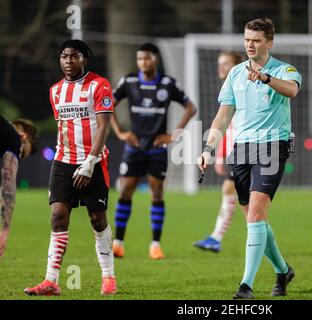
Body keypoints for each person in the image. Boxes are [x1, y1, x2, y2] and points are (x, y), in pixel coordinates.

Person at [197, 18, 301, 299]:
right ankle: (283, 270)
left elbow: (292, 90)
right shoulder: (235, 73)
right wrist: (208, 149)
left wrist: (266, 78)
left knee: (256, 214)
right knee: (255, 221)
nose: (250, 45)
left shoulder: (284, 69)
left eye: (256, 40)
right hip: (241, 149)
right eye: (246, 40)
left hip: (272, 146)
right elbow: (223, 115)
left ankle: (246, 286)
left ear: (269, 42)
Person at [25, 40, 117, 296]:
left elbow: (104, 127)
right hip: (63, 161)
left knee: (97, 219)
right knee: (57, 216)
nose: (68, 60)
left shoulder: (100, 85)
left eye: (74, 56)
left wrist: (90, 162)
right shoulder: (55, 91)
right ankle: (51, 280)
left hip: (94, 162)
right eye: (64, 56)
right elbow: (65, 127)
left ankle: (108, 277)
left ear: (84, 59)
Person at [111, 43, 196, 260]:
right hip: (134, 147)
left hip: (157, 148)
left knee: (157, 193)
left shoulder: (167, 84)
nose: (143, 62)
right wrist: (120, 132)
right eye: (139, 59)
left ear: (155, 59)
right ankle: (118, 243)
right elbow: (106, 105)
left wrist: (174, 135)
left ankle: (155, 245)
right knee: (125, 191)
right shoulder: (129, 81)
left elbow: (190, 108)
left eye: (146, 58)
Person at [194, 51, 243, 253]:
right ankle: (216, 237)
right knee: (239, 196)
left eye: (226, 64)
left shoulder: (241, 86)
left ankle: (217, 237)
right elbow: (226, 125)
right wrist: (221, 153)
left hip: (248, 149)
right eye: (219, 63)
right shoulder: (230, 88)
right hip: (236, 150)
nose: (221, 68)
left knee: (243, 199)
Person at [0, 116, 38, 257]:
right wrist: (5, 231)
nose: (19, 154)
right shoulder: (13, 140)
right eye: (22, 152)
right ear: (24, 137)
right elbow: (7, 186)